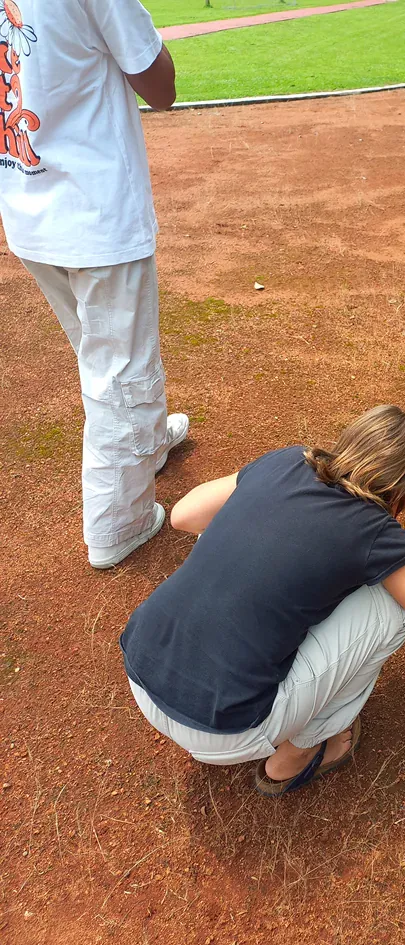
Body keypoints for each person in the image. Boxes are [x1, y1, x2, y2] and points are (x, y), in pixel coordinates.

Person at [120, 405, 405, 797]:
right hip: (224, 730)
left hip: (140, 671)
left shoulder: (288, 461)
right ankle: (297, 756)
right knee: (394, 607)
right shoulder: (376, 532)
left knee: (238, 542)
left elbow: (184, 515)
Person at [0, 0, 188, 569]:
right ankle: (118, 523)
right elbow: (161, 87)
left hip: (27, 201)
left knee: (99, 349)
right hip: (96, 212)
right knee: (118, 371)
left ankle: (146, 444)